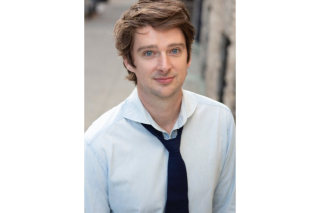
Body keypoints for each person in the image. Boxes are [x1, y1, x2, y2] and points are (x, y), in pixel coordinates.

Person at [84, 0, 236, 212]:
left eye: (174, 50)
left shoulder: (220, 121)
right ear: (129, 61)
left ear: (188, 56)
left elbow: (227, 206)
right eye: (149, 53)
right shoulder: (98, 146)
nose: (165, 66)